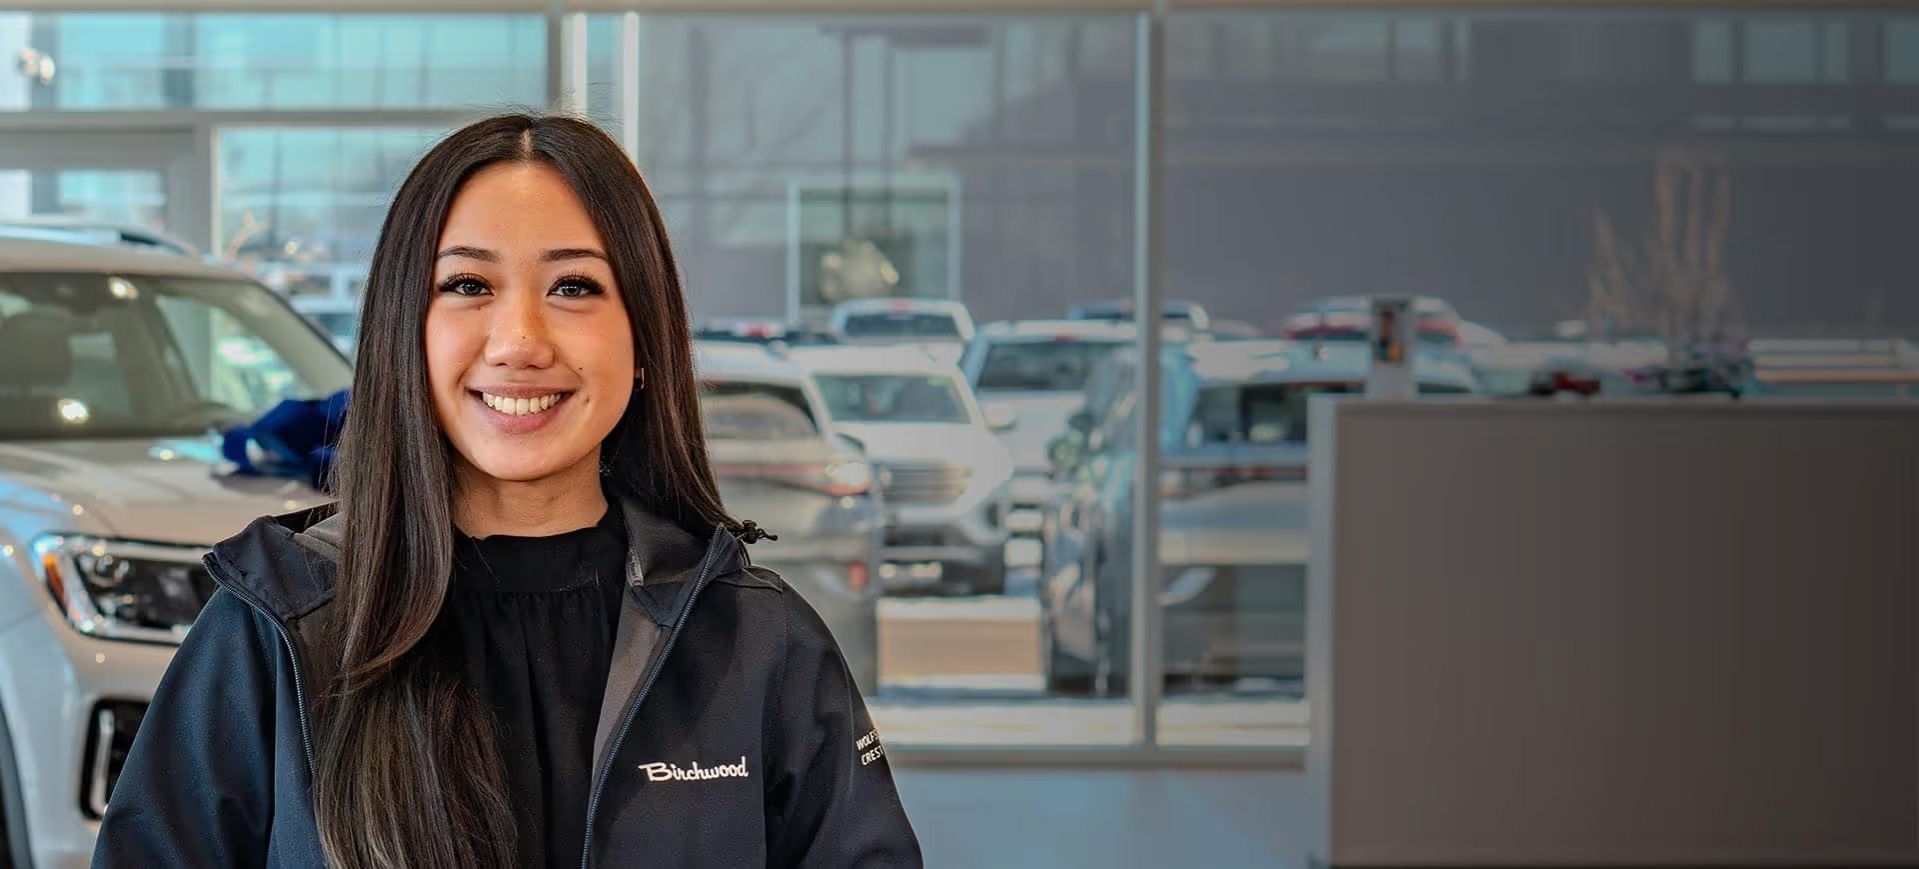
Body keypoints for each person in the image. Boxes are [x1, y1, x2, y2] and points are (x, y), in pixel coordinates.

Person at [92, 114, 922, 869]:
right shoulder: (277, 627)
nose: (519, 340)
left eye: (573, 287)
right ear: (403, 332)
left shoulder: (757, 641)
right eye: (468, 285)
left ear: (642, 344)